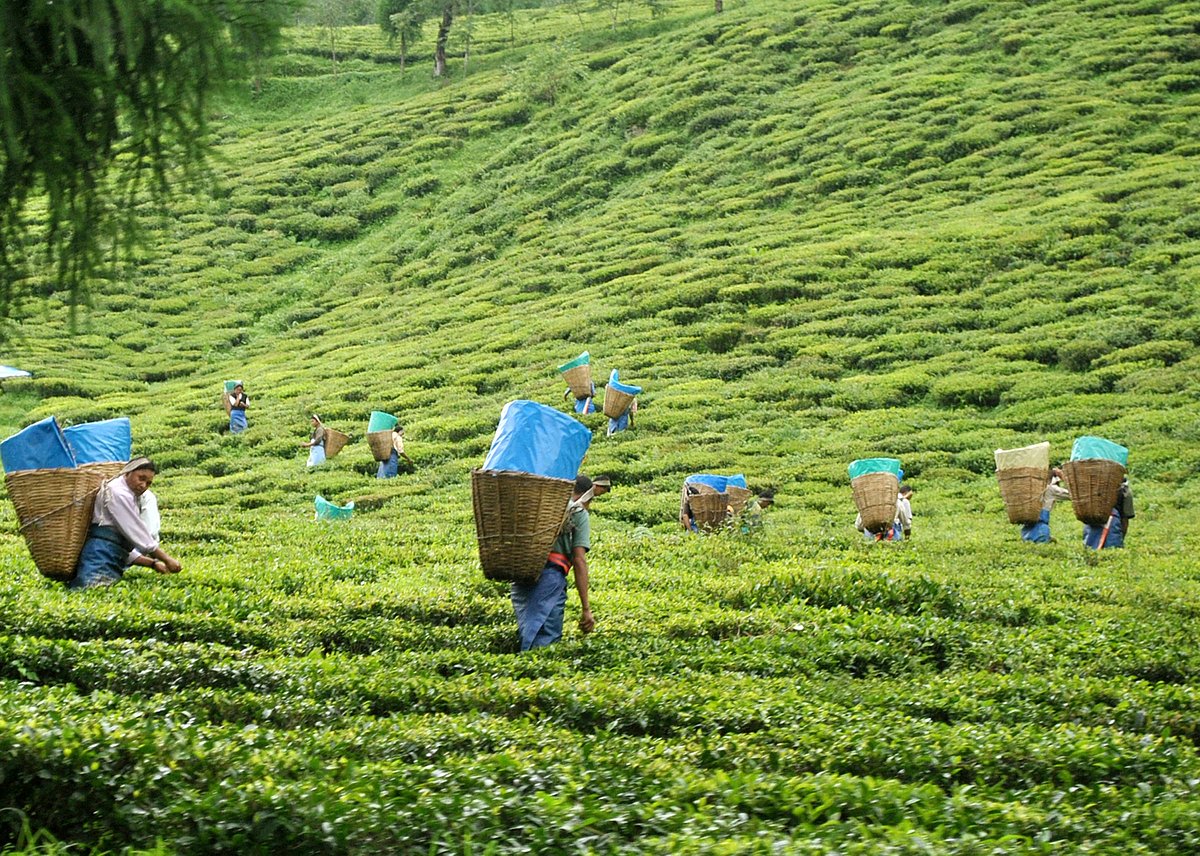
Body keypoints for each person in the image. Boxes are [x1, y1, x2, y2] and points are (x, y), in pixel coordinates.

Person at [510, 474, 597, 651]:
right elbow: (579, 560)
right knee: (544, 640)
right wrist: (586, 608)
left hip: (521, 579)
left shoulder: (537, 506)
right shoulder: (577, 513)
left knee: (527, 631)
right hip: (549, 579)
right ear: (585, 495)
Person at [68, 458, 182, 590]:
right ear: (128, 472)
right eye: (141, 478)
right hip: (100, 555)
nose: (143, 485)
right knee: (91, 591)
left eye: (148, 483)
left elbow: (123, 545)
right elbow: (136, 533)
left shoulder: (128, 494)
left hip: (109, 554)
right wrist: (167, 559)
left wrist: (153, 564)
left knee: (100, 595)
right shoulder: (118, 492)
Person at [1020, 467, 1070, 543]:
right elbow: (1073, 495)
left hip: (1026, 531)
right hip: (1041, 530)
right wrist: (1064, 477)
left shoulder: (1031, 487)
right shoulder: (1051, 489)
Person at [1083, 477, 1134, 549]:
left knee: (1090, 550)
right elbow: (1125, 519)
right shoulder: (1124, 491)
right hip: (1112, 528)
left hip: (1093, 528)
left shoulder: (1090, 488)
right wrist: (1121, 538)